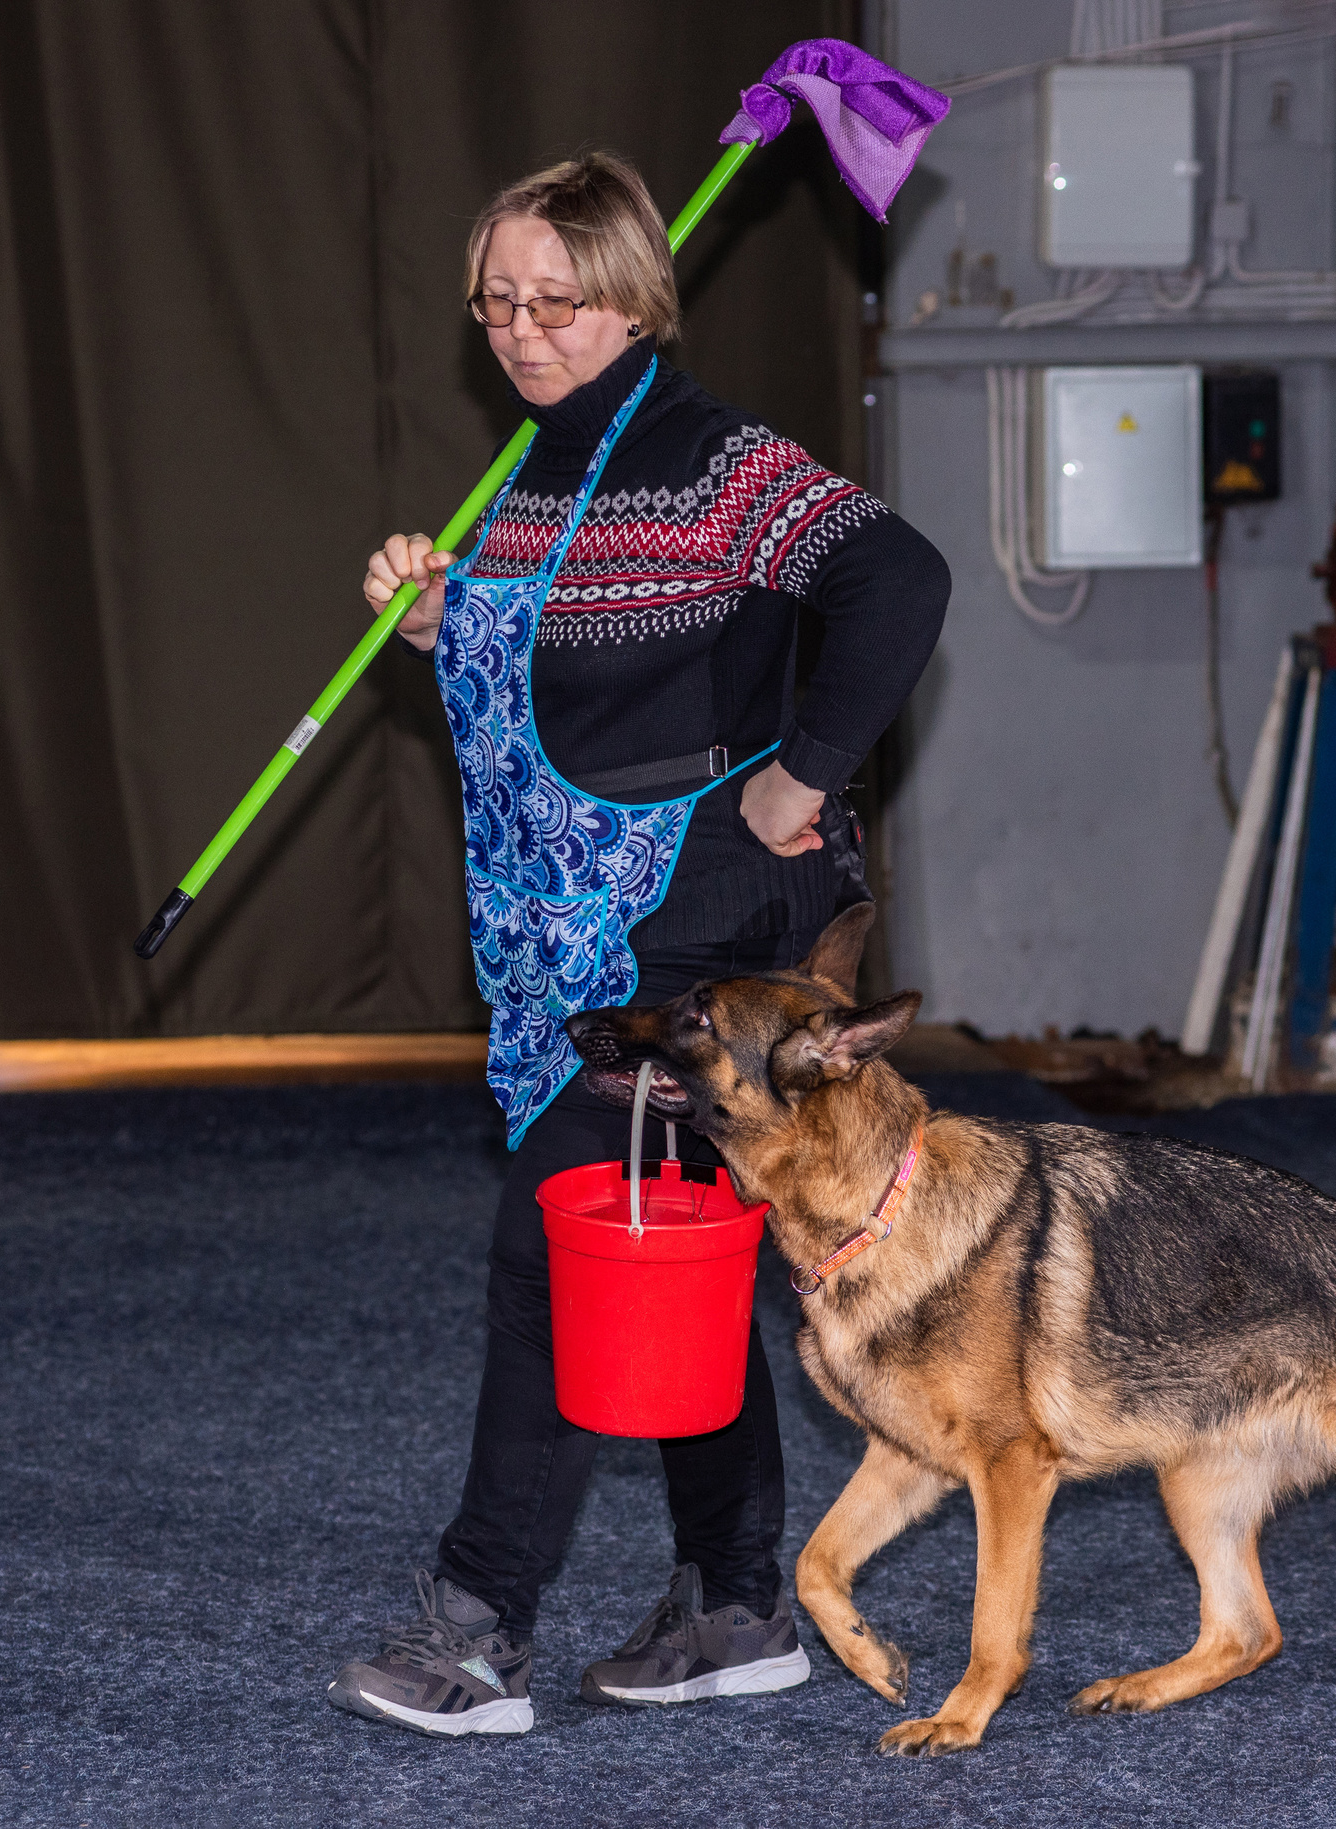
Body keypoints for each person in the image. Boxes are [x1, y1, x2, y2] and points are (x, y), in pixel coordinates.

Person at [328, 153, 947, 1739]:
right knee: (676, 1255)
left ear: (634, 299)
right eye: (498, 301)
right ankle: (738, 1598)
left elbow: (898, 575)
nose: (524, 332)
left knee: (563, 1236)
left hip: (715, 941)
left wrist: (805, 775)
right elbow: (558, 694)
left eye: (559, 300)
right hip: (579, 948)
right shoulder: (526, 475)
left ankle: (479, 1627)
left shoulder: (714, 459)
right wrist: (436, 621)